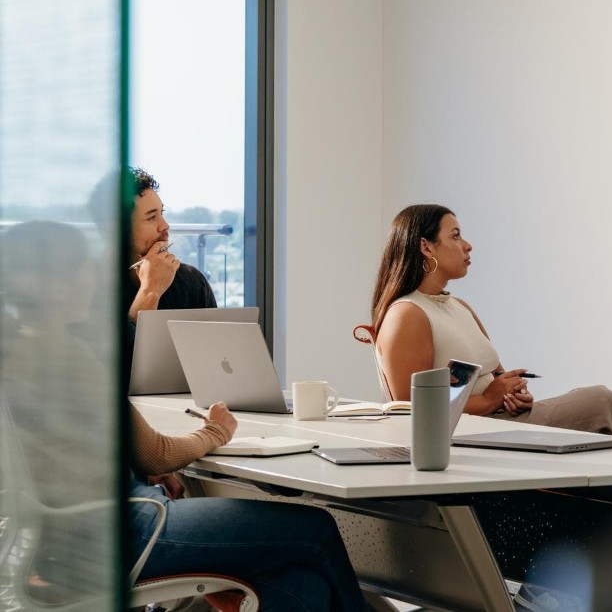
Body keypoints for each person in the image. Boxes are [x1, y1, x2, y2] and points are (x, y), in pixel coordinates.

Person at [1, 221, 370, 611]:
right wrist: (215, 430)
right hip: (129, 530)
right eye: (86, 270)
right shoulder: (66, 353)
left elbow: (70, 447)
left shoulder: (18, 352)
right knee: (317, 530)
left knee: (301, 585)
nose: (93, 280)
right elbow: (155, 454)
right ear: (60, 284)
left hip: (61, 544)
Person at [362, 204, 612, 440]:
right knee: (601, 402)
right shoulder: (407, 314)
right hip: (472, 434)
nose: (467, 245)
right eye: (455, 235)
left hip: (501, 420)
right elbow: (410, 409)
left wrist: (515, 394)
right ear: (426, 247)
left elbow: (497, 378)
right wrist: (490, 400)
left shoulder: (458, 306)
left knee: (608, 405)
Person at [89, 166, 217, 322]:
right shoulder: (86, 287)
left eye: (161, 213)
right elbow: (128, 347)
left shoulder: (191, 281)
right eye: (151, 218)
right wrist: (150, 291)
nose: (165, 226)